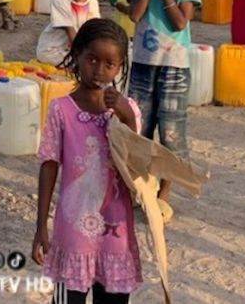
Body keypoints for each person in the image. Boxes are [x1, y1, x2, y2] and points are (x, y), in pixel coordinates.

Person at [33, 19, 143, 303]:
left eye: (110, 64)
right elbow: (49, 165)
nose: (99, 70)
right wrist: (40, 226)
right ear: (77, 53)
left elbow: (138, 164)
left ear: (120, 67)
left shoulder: (127, 110)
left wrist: (127, 117)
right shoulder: (61, 110)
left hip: (115, 228)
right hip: (72, 230)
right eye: (92, 59)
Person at [125, 0, 201, 219]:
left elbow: (180, 23)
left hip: (174, 68)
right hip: (144, 65)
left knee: (171, 132)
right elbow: (134, 14)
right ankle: (140, 189)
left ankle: (164, 194)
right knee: (139, 130)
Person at [37, 0, 102, 67]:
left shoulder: (92, 3)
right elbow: (70, 30)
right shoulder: (59, 0)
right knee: (85, 65)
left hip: (72, 49)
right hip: (51, 51)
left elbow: (94, 32)